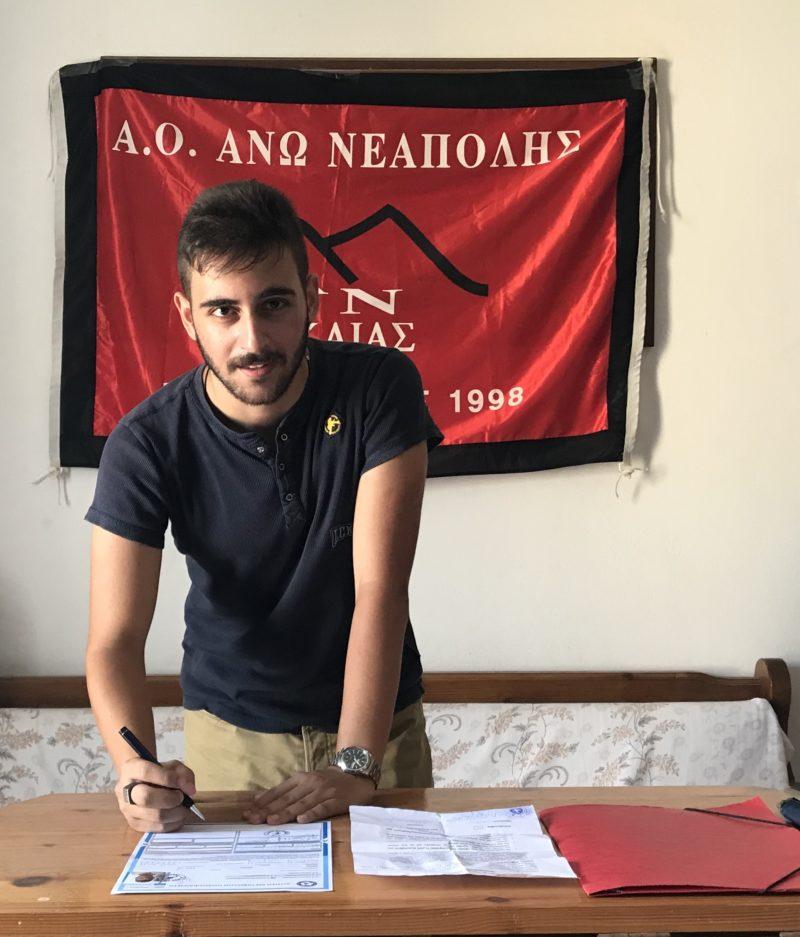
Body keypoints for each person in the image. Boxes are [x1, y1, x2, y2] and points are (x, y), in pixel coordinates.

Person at [85, 179, 443, 833]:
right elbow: (115, 639)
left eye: (273, 303)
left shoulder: (379, 387)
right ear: (187, 315)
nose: (252, 339)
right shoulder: (145, 441)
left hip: (378, 733)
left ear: (311, 297)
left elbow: (381, 590)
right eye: (223, 310)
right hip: (232, 737)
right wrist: (135, 769)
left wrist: (356, 763)